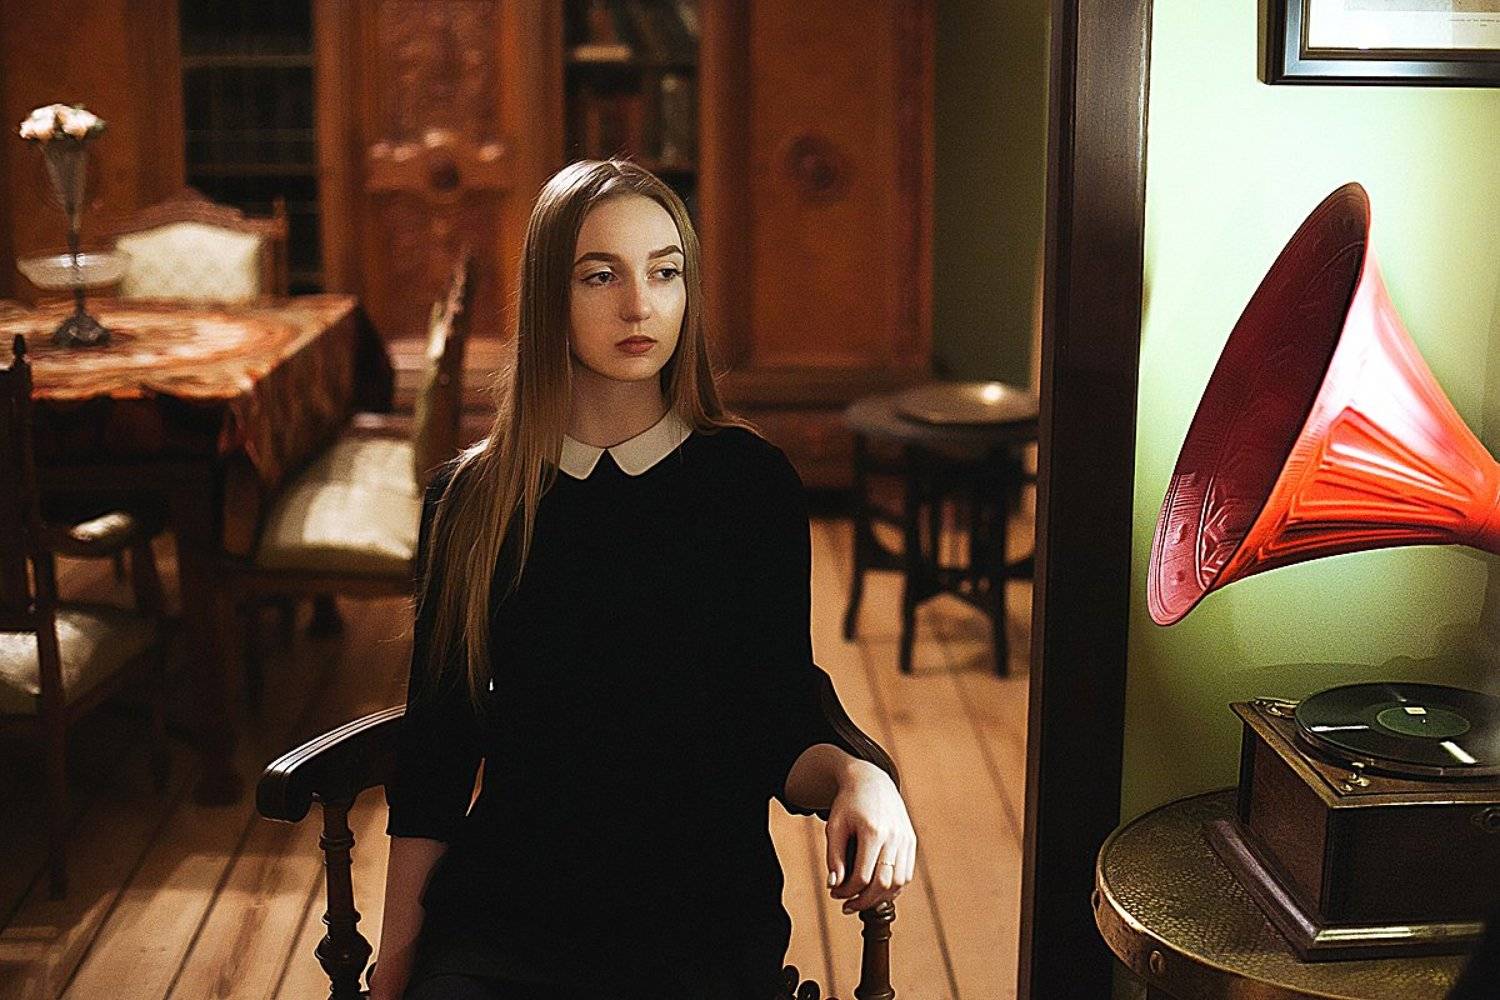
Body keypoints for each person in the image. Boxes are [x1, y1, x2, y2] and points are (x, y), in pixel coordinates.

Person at [367, 159, 917, 1000]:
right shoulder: (471, 500)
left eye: (665, 272)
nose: (640, 305)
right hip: (507, 917)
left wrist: (857, 775)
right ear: (549, 295)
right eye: (601, 276)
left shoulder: (748, 485)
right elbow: (438, 754)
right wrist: (396, 967)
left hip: (700, 921)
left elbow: (776, 716)